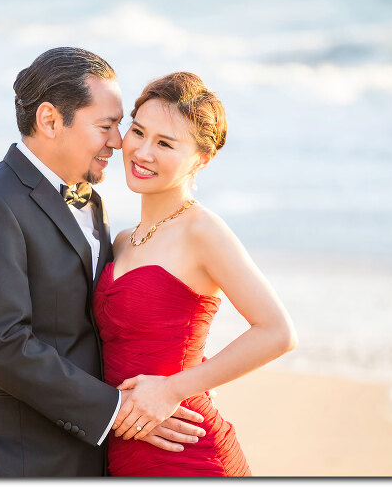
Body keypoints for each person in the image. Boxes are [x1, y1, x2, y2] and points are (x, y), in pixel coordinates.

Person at [0, 48, 205, 477]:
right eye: (106, 125)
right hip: (23, 461)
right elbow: (3, 345)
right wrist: (116, 411)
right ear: (49, 121)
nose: (119, 141)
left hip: (95, 455)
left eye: (120, 125)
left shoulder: (91, 200)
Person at [93, 72, 299, 476]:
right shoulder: (120, 239)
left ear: (202, 159)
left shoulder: (203, 231)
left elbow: (277, 332)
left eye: (165, 143)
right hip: (125, 444)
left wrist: (175, 387)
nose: (142, 152)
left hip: (188, 452)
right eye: (138, 132)